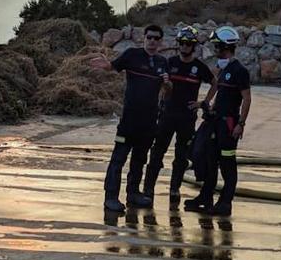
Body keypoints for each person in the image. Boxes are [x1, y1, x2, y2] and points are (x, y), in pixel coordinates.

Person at [89, 24, 168, 212]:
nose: (152, 42)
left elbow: (167, 90)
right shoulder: (132, 54)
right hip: (129, 120)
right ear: (144, 38)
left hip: (149, 122)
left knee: (139, 160)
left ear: (161, 42)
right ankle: (111, 197)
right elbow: (112, 67)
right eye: (149, 37)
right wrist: (105, 64)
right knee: (119, 158)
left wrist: (168, 84)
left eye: (156, 38)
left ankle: (133, 193)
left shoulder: (162, 62)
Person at [142, 25, 214, 207]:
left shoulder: (199, 67)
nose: (185, 47)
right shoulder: (170, 62)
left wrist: (202, 103)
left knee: (181, 156)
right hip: (167, 115)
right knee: (157, 152)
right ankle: (148, 189)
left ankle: (175, 188)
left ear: (194, 46)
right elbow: (161, 84)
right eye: (182, 43)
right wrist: (164, 92)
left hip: (187, 118)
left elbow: (215, 83)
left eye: (188, 44)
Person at [185, 25, 250, 217]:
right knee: (209, 159)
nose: (215, 51)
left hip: (229, 124)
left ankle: (225, 203)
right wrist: (204, 103)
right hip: (216, 122)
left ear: (226, 47)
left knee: (227, 163)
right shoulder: (223, 69)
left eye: (217, 47)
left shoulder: (239, 71)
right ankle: (206, 197)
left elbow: (246, 98)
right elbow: (216, 88)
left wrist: (241, 124)